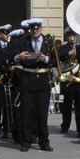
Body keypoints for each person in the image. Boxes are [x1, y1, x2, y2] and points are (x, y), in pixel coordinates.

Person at [8, 18, 54, 151]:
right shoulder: (23, 41)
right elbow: (11, 57)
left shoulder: (48, 41)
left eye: (37, 28)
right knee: (27, 113)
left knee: (42, 114)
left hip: (43, 80)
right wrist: (19, 57)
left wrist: (45, 59)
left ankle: (44, 141)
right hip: (27, 78)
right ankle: (26, 141)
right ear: (29, 29)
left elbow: (56, 60)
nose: (35, 30)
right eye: (33, 28)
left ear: (41, 28)